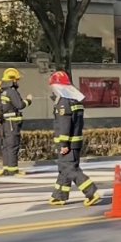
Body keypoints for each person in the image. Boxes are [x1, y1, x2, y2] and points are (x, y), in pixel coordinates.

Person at [47, 71, 101, 206]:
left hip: (68, 144)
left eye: (53, 86)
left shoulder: (63, 103)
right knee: (64, 168)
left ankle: (91, 192)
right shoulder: (74, 100)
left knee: (70, 169)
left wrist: (63, 144)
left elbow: (64, 125)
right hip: (75, 142)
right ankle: (59, 196)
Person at [0, 67, 33, 176]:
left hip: (4, 123)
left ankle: (7, 169)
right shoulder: (12, 92)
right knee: (13, 145)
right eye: (16, 80)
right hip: (11, 124)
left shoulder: (1, 92)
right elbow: (19, 105)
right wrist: (28, 100)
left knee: (6, 146)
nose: (17, 82)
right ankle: (13, 170)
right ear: (13, 80)